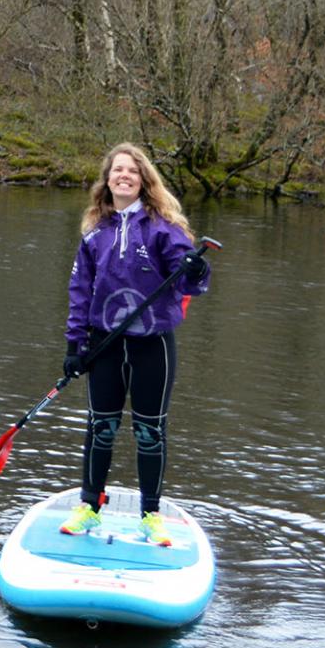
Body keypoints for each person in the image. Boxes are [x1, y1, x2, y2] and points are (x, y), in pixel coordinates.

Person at [58, 142, 212, 545]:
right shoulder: (94, 235)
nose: (123, 175)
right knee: (101, 427)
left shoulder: (164, 230)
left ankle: (151, 516)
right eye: (116, 171)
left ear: (143, 181)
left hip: (152, 346)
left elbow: (187, 281)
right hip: (104, 344)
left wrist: (196, 270)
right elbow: (79, 291)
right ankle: (89, 508)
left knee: (150, 432)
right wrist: (75, 346)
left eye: (131, 171)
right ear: (107, 181)